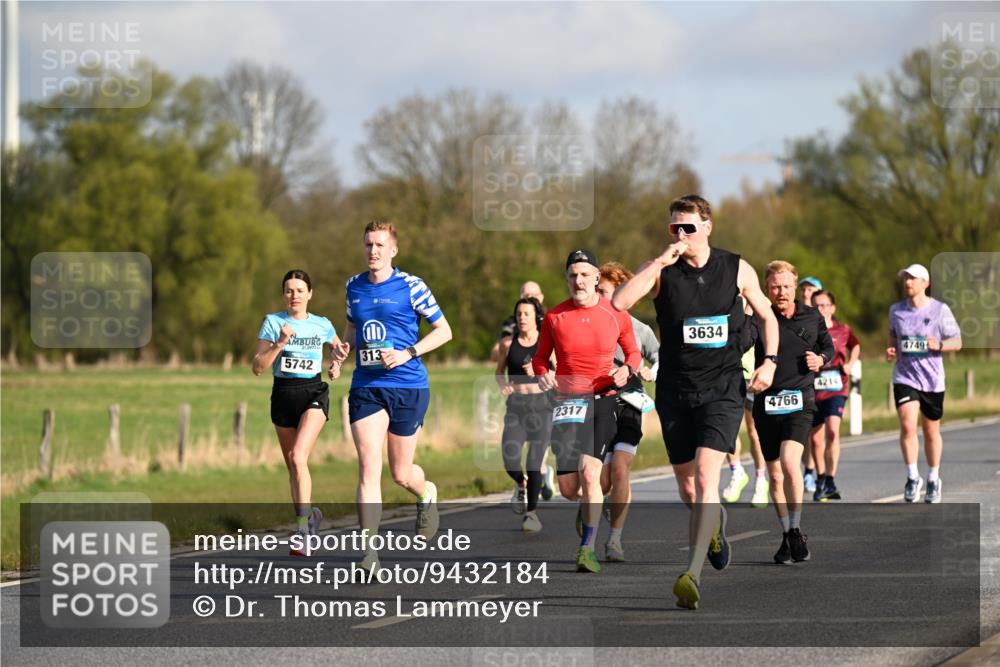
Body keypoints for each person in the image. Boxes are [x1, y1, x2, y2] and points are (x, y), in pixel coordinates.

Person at [612, 194, 778, 610]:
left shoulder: (735, 268)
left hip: (722, 388)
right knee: (689, 488)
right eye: (675, 227)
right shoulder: (662, 271)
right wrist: (658, 262)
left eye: (688, 227)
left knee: (706, 478)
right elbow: (619, 303)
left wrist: (770, 361)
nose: (681, 234)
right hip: (675, 390)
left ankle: (692, 573)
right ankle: (715, 524)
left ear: (707, 227)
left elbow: (766, 315)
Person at [330, 220, 453, 574]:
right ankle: (369, 554)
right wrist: (341, 354)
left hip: (407, 384)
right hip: (366, 386)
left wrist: (407, 353)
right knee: (369, 465)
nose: (373, 251)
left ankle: (426, 492)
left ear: (393, 250)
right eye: (368, 244)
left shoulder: (412, 286)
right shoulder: (353, 286)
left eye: (380, 245)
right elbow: (352, 328)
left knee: (401, 473)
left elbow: (444, 331)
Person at [532, 250, 641, 574]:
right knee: (569, 488)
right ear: (567, 279)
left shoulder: (614, 313)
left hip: (602, 399)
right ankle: (589, 507)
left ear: (596, 277)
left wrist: (627, 370)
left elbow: (633, 353)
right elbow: (540, 358)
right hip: (567, 403)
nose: (578, 281)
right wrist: (543, 374)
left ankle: (587, 548)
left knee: (591, 472)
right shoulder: (555, 317)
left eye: (584, 275)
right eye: (572, 275)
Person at [252, 269, 345, 556]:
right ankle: (311, 516)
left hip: (313, 393)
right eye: (289, 290)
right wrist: (280, 343)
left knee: (298, 456)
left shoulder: (322, 324)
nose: (294, 295)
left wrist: (336, 364)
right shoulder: (273, 322)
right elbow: (257, 367)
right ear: (284, 294)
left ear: (310, 294)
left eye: (300, 290)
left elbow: (338, 350)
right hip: (283, 395)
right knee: (293, 467)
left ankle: (303, 531)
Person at [752, 261, 834, 564]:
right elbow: (739, 343)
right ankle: (787, 535)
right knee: (775, 476)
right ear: (767, 288)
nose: (781, 292)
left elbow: (828, 347)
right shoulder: (760, 318)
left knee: (789, 462)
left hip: (800, 400)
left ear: (795, 285)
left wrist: (821, 359)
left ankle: (797, 529)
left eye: (786, 286)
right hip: (766, 403)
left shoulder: (812, 316)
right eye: (775, 287)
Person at [595, 262, 659, 562]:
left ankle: (615, 540)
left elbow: (659, 357)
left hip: (630, 404)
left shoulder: (640, 329)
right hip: (598, 404)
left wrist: (651, 371)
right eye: (597, 291)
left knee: (620, 469)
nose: (599, 296)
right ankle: (595, 501)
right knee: (601, 481)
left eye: (605, 291)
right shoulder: (589, 323)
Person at [887, 263, 962, 503]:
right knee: (908, 425)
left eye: (913, 278)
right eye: (905, 278)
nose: (908, 282)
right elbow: (893, 336)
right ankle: (912, 476)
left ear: (925, 283)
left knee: (931, 431)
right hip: (905, 377)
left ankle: (933, 478)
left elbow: (957, 341)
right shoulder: (896, 310)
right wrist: (891, 350)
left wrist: (939, 345)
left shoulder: (940, 310)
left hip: (932, 380)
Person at [491, 282, 556, 499]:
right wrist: (504, 385)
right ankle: (522, 483)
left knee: (535, 461)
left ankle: (533, 504)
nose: (522, 317)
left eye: (526, 314)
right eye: (519, 314)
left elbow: (560, 371)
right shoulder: (508, 340)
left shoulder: (549, 335)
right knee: (510, 459)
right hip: (517, 404)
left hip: (542, 404)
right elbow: (498, 370)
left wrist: (541, 371)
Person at [809, 290, 860, 501]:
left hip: (837, 387)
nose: (820, 309)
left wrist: (850, 364)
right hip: (813, 389)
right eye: (816, 306)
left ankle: (830, 479)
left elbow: (855, 345)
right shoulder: (807, 330)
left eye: (824, 305)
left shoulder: (843, 329)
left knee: (832, 431)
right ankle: (820, 478)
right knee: (815, 438)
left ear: (832, 308)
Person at [721, 313, 770, 508]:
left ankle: (761, 480)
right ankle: (737, 472)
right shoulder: (722, 301)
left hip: (752, 376)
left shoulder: (759, 305)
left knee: (754, 432)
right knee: (726, 429)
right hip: (727, 375)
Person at [797, 276, 824, 491]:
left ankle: (811, 472)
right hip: (797, 377)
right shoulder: (792, 313)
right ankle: (804, 468)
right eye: (804, 289)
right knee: (803, 430)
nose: (806, 293)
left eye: (811, 290)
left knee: (815, 431)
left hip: (820, 380)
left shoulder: (820, 316)